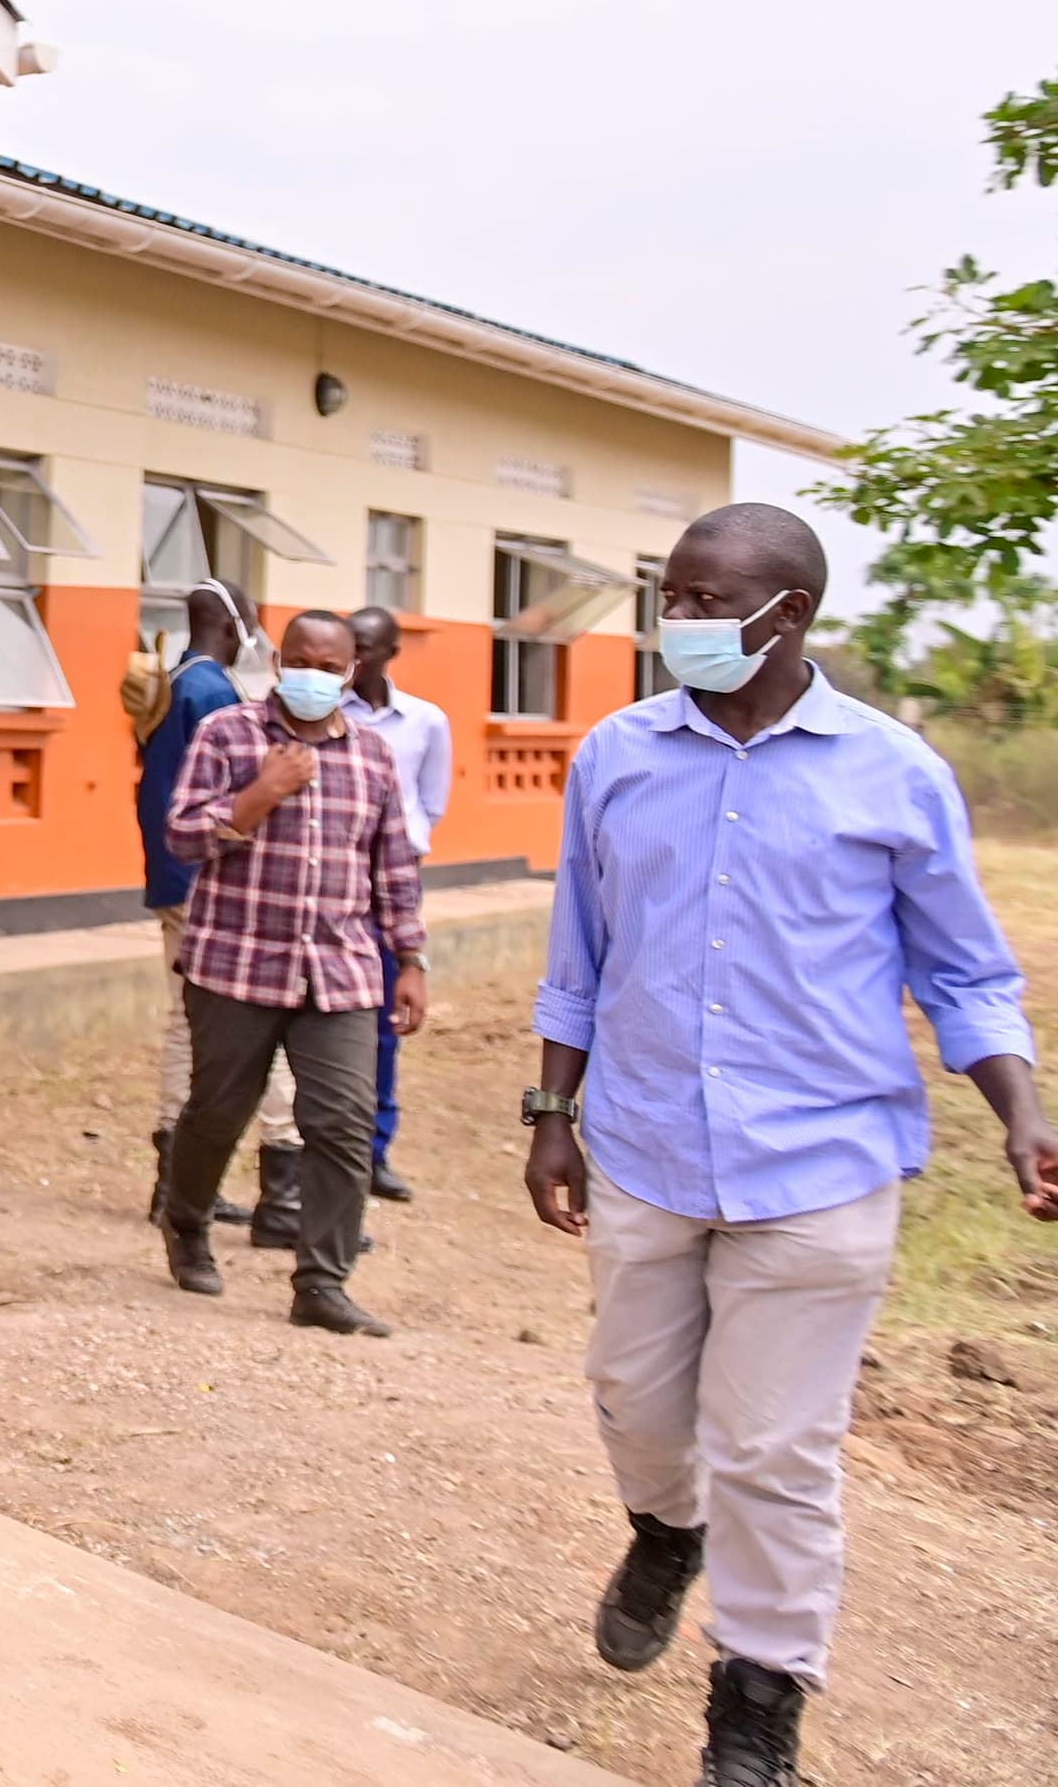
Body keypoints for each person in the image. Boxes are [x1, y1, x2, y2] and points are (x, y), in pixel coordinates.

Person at [526, 505, 1053, 1787]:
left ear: (791, 616)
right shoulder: (619, 755)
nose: (684, 623)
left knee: (777, 1446)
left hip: (823, 1165)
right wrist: (552, 1114)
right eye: (677, 597)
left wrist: (1024, 1114)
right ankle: (666, 1529)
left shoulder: (893, 772)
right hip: (647, 1143)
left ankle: (757, 1706)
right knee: (636, 1404)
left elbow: (965, 974)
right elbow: (578, 951)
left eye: (711, 603)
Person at [156, 608, 427, 1336]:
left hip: (339, 970)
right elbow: (181, 835)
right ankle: (185, 1220)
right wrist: (256, 796)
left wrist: (412, 959)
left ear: (349, 673)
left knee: (340, 1122)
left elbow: (394, 868)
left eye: (328, 666)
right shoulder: (228, 734)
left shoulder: (372, 756)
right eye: (299, 660)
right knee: (218, 1110)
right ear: (279, 662)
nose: (313, 675)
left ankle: (321, 1281)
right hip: (237, 964)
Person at [139, 581, 288, 1231]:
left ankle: (172, 1179)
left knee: (182, 1024)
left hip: (172, 877)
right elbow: (229, 801)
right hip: (206, 880)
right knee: (242, 1028)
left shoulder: (174, 682)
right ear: (237, 627)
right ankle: (271, 1187)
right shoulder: (214, 697)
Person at [343, 603, 452, 1202]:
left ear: (391, 653)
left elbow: (428, 805)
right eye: (348, 645)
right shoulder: (325, 712)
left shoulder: (425, 722)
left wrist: (400, 860)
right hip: (332, 877)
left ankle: (374, 1150)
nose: (355, 659)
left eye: (367, 647)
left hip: (394, 882)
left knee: (386, 1019)